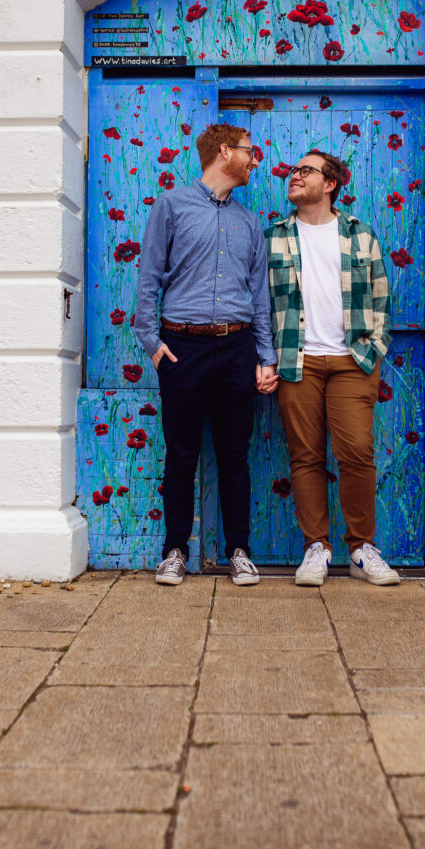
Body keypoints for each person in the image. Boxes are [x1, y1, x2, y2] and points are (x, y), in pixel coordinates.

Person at [134, 123, 278, 586]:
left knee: (235, 454)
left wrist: (264, 356)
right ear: (224, 152)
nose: (255, 160)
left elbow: (258, 296)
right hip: (183, 348)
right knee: (181, 454)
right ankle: (174, 550)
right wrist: (153, 344)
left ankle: (239, 550)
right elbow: (149, 277)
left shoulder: (248, 222)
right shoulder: (172, 206)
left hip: (237, 349)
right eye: (249, 152)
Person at [264, 149, 399, 586]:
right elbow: (258, 303)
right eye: (293, 169)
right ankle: (316, 549)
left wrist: (373, 345)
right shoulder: (273, 237)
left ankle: (361, 548)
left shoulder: (361, 235)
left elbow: (381, 296)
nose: (294, 175)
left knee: (357, 453)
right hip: (295, 360)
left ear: (331, 183)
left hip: (351, 361)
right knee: (305, 457)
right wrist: (265, 358)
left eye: (306, 170)